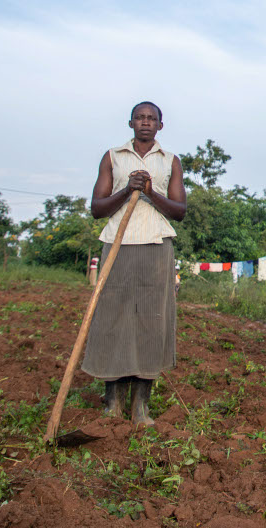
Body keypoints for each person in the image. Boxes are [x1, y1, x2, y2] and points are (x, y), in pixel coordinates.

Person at [84, 101, 187, 426]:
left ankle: (140, 406)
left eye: (151, 119)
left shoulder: (170, 161)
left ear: (160, 125)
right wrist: (127, 189)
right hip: (118, 243)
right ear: (131, 123)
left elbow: (179, 210)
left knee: (150, 322)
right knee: (112, 319)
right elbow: (97, 208)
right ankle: (112, 402)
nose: (145, 123)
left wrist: (148, 192)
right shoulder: (113, 157)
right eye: (140, 118)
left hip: (156, 245)